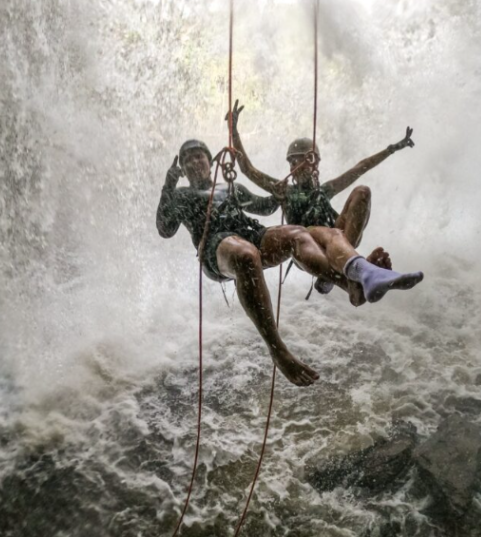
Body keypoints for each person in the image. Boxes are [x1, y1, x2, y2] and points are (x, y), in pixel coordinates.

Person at [156, 139, 424, 387]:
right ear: (182, 169)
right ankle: (279, 351)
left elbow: (265, 208)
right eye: (188, 159)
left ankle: (353, 285)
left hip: (251, 233)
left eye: (199, 156)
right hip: (217, 245)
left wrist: (278, 193)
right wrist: (167, 187)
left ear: (210, 161)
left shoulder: (231, 188)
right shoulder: (180, 197)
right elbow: (164, 229)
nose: (194, 163)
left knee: (297, 233)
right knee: (246, 255)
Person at [227, 99, 415, 294]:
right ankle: (342, 268)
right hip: (307, 249)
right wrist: (234, 132)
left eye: (297, 160)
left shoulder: (325, 190)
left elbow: (360, 168)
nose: (293, 167)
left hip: (336, 241)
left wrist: (391, 149)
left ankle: (343, 264)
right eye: (290, 163)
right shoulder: (285, 192)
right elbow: (247, 170)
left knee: (362, 191)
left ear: (312, 162)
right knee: (317, 230)